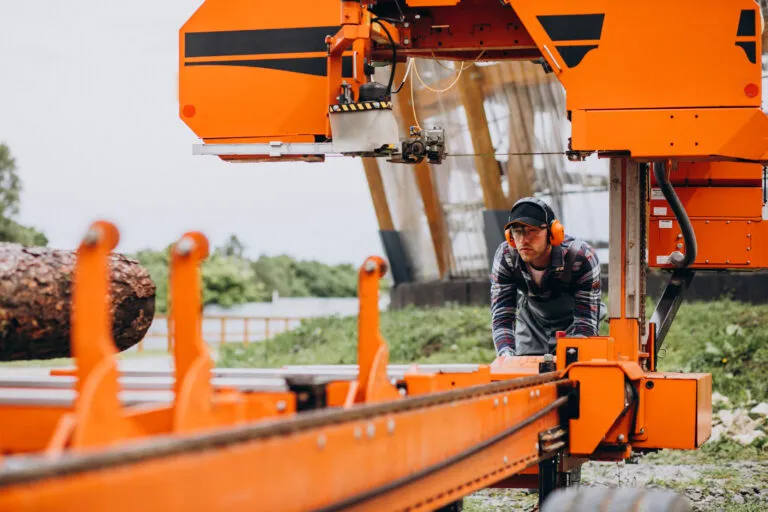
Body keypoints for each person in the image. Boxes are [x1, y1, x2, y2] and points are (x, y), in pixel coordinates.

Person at [490, 197, 602, 357]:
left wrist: (574, 356)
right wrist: (506, 355)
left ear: (553, 233)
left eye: (532, 231)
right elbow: (502, 315)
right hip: (531, 323)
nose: (523, 240)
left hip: (574, 322)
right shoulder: (507, 256)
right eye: (517, 231)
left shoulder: (581, 258)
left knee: (574, 371)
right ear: (510, 235)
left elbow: (586, 321)